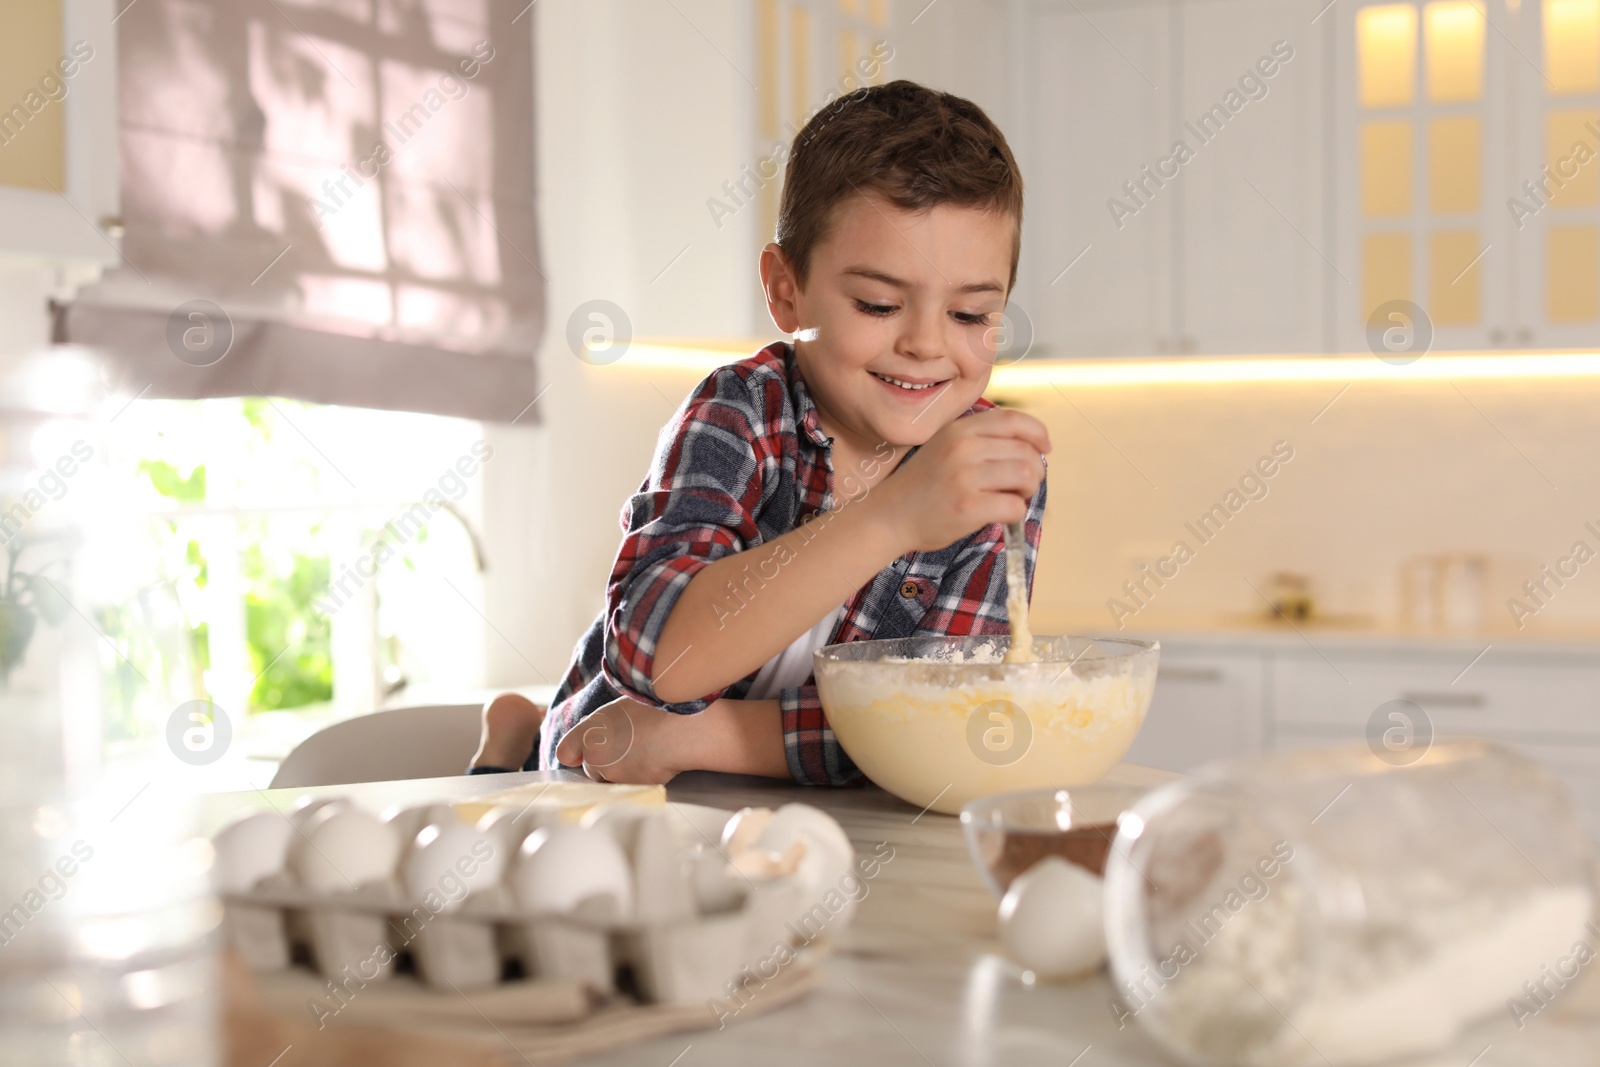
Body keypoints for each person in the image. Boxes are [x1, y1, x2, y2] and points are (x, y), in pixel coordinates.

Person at [470, 79, 1049, 787]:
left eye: (970, 315)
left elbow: (937, 724)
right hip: (617, 765)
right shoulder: (738, 413)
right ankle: (510, 739)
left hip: (772, 791)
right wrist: (894, 516)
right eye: (878, 303)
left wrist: (705, 738)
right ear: (786, 290)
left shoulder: (987, 469)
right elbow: (660, 658)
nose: (927, 344)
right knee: (503, 806)